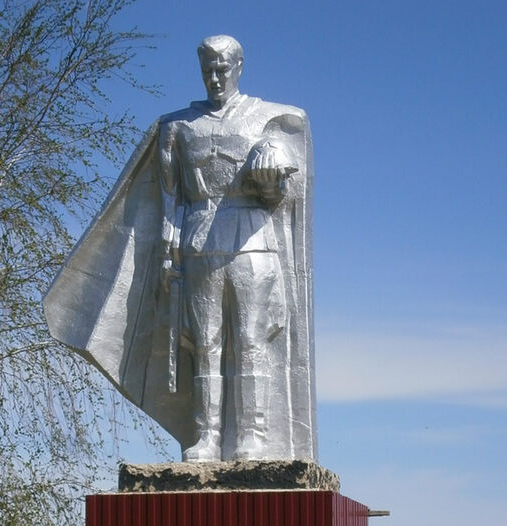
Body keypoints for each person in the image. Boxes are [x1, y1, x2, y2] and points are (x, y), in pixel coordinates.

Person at [44, 36, 316, 463]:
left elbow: (284, 188)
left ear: (239, 66)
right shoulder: (178, 127)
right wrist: (169, 253)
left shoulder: (266, 119)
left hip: (251, 241)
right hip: (198, 241)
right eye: (207, 68)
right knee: (204, 343)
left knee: (250, 339)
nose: (214, 77)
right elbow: (169, 199)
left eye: (222, 68)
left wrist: (272, 160)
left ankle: (253, 435)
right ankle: (207, 434)